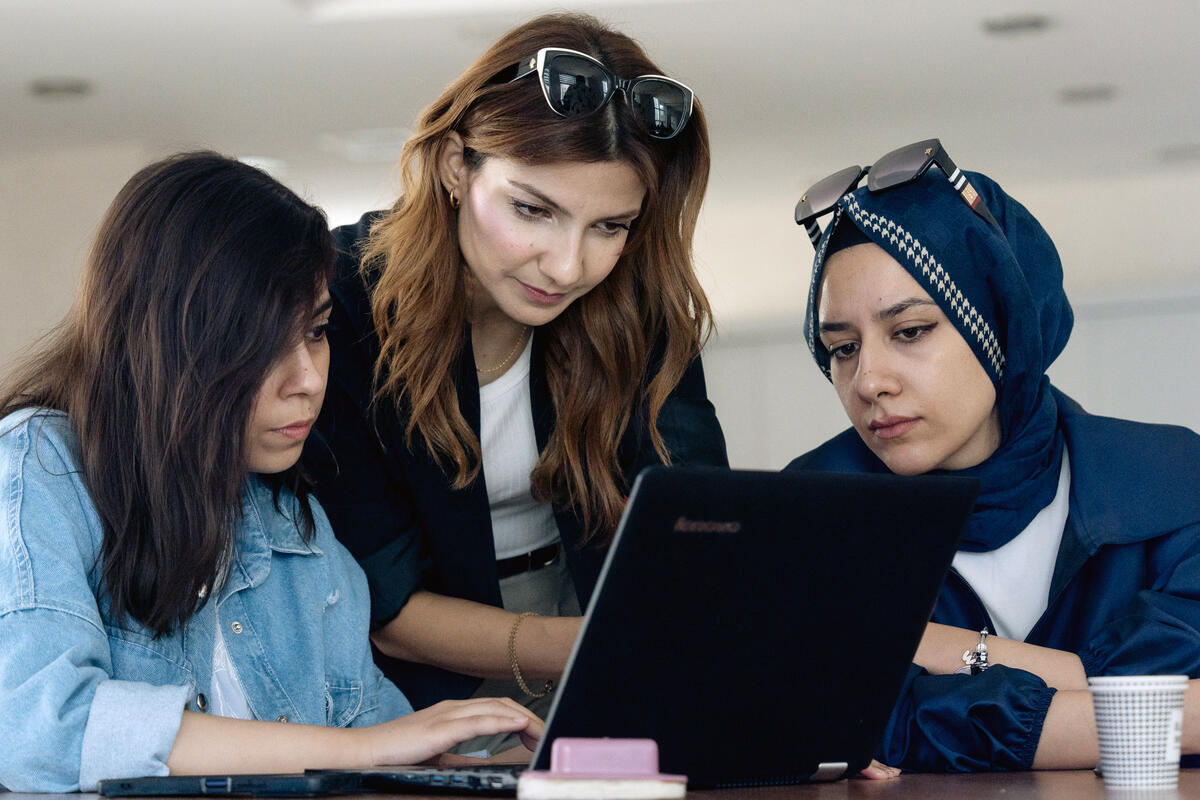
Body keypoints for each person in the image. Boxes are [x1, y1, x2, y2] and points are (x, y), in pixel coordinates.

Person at [0, 153, 541, 793]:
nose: (310, 382)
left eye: (315, 332)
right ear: (169, 342)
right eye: (262, 347)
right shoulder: (38, 468)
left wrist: (449, 773)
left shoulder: (295, 523)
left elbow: (377, 741)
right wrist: (364, 749)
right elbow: (41, 730)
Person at [305, 10, 729, 730]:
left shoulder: (638, 305)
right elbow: (388, 607)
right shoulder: (336, 307)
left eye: (610, 227)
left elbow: (697, 529)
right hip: (416, 665)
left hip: (593, 620)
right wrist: (610, 646)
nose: (569, 267)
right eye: (533, 210)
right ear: (452, 165)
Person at [786, 139, 1200, 771]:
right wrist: (1128, 707)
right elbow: (825, 717)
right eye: (842, 348)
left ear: (1005, 324)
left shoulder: (1173, 481)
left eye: (910, 331)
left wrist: (932, 651)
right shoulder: (803, 513)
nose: (868, 380)